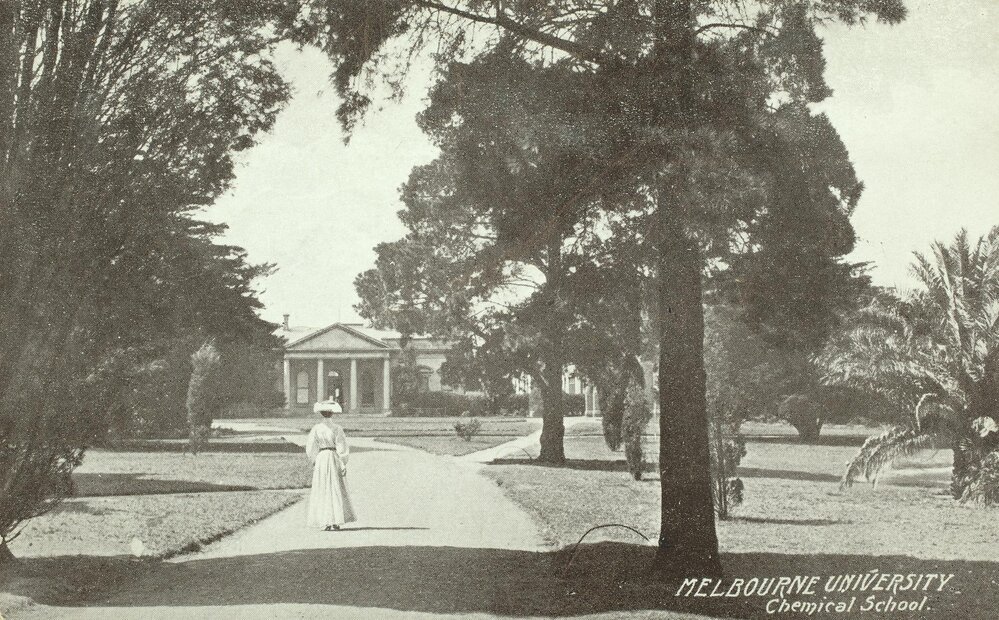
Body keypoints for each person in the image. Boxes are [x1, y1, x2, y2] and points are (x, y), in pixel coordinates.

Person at [305, 407, 356, 531]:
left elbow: (311, 447)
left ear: (321, 414)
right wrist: (343, 462)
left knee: (323, 487)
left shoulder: (316, 428)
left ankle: (326, 521)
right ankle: (335, 520)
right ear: (332, 414)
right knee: (335, 488)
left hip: (322, 457)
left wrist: (314, 459)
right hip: (333, 457)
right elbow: (341, 446)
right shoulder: (337, 428)